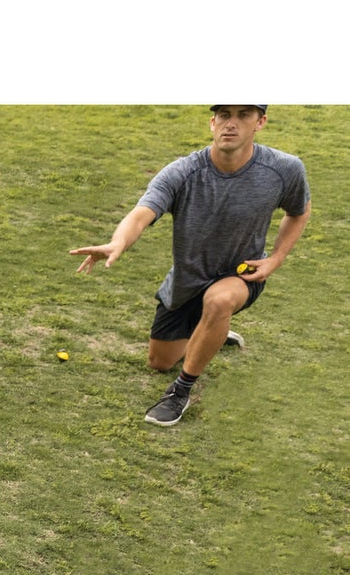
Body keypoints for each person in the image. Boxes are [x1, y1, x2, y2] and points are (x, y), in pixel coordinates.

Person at [70, 105, 311, 426]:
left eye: (243, 115)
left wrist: (276, 259)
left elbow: (299, 211)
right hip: (187, 280)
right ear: (212, 122)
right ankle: (211, 330)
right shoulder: (183, 172)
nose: (231, 124)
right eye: (224, 115)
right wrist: (118, 242)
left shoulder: (284, 169)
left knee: (219, 301)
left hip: (241, 275)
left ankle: (179, 393)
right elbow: (142, 213)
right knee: (159, 362)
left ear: (261, 122)